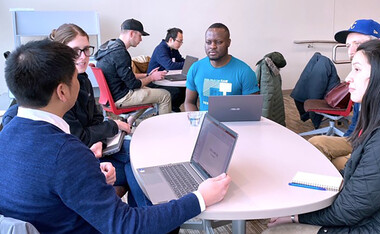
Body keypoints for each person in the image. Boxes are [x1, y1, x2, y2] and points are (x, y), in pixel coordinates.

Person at [0, 39, 231, 233]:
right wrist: (200, 198)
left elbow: (43, 184)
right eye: (75, 79)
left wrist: (88, 170)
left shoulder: (7, 133)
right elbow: (125, 226)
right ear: (62, 91)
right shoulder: (65, 153)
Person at [264, 39, 380, 233]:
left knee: (275, 231)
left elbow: (349, 211)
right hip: (373, 218)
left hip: (379, 227)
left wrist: (296, 217)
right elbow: (357, 182)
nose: (348, 78)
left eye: (357, 70)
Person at [50, 23, 151, 206]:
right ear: (60, 53)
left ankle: (139, 217)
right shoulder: (59, 91)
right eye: (75, 51)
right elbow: (78, 136)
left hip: (95, 147)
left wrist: (99, 137)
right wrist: (113, 126)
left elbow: (96, 118)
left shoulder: (82, 79)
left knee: (138, 155)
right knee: (135, 166)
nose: (83, 57)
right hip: (80, 157)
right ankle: (142, 218)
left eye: (86, 50)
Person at [308, 19, 380, 171]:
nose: (351, 51)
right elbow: (357, 122)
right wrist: (349, 140)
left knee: (338, 163)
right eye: (348, 45)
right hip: (357, 139)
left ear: (379, 45)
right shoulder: (359, 83)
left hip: (375, 147)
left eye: (357, 43)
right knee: (315, 143)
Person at [95, 18, 171, 114]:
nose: (141, 39)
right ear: (131, 33)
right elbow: (133, 84)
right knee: (165, 95)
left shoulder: (109, 47)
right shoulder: (120, 53)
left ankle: (132, 119)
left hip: (111, 96)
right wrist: (152, 78)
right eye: (140, 35)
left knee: (151, 91)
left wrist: (147, 75)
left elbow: (126, 76)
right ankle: (164, 128)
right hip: (121, 97)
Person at [184, 23, 259, 111]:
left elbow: (252, 110)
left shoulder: (245, 72)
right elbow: (189, 102)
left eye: (219, 42)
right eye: (208, 42)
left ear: (228, 42)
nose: (212, 46)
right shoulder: (195, 68)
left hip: (233, 124)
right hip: (204, 123)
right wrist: (196, 123)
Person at [147, 27, 186, 112]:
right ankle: (170, 109)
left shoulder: (174, 50)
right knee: (176, 91)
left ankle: (173, 108)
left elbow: (181, 60)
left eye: (181, 41)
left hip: (165, 79)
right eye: (179, 41)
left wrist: (187, 63)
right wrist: (186, 64)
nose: (180, 44)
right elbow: (170, 66)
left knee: (186, 89)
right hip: (154, 82)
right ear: (171, 39)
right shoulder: (161, 49)